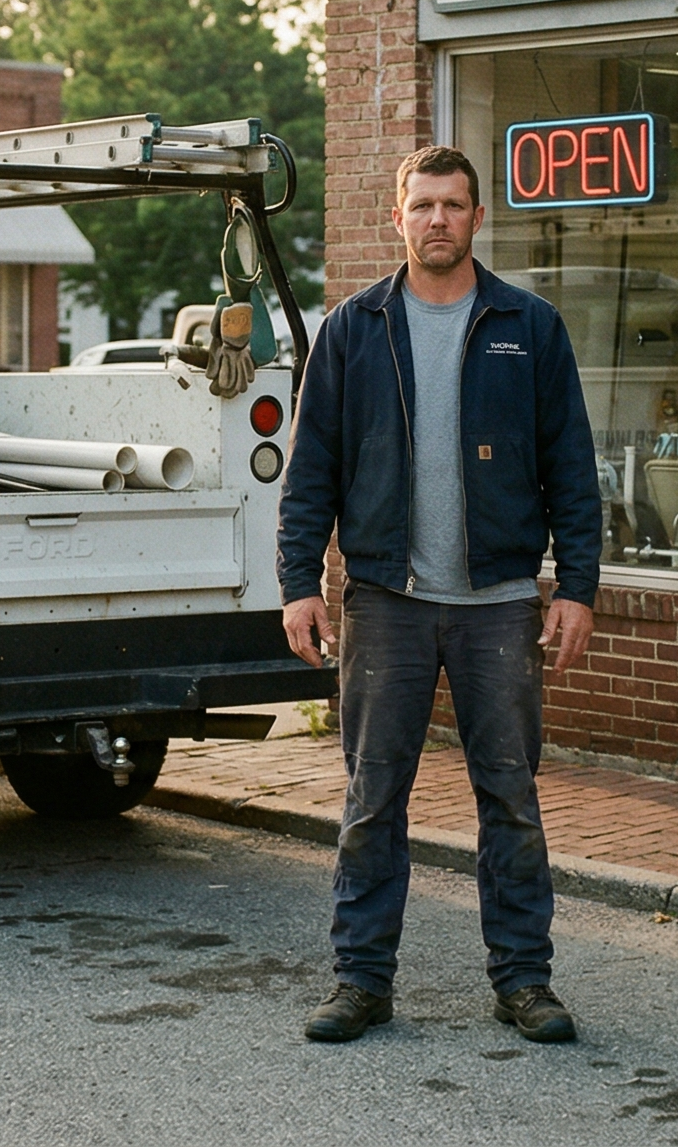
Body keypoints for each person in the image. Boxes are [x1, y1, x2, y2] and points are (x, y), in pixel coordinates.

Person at [277, 144, 603, 1045]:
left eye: (453, 206)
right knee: (373, 799)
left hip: (498, 600)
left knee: (509, 799)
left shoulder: (527, 326)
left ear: (475, 218)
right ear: (397, 217)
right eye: (421, 205)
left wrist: (576, 586)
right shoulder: (354, 327)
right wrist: (299, 584)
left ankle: (524, 982)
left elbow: (571, 470)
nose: (436, 221)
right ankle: (360, 981)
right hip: (385, 597)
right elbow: (310, 474)